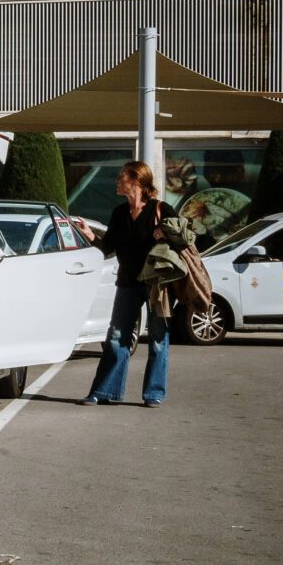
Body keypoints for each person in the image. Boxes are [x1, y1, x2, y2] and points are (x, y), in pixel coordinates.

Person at [82, 160, 173, 407]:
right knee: (117, 336)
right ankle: (105, 391)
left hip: (156, 285)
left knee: (157, 338)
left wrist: (165, 234)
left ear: (136, 181)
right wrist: (90, 236)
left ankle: (154, 393)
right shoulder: (119, 213)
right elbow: (108, 247)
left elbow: (186, 240)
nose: (117, 180)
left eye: (121, 176)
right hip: (127, 282)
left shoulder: (161, 210)